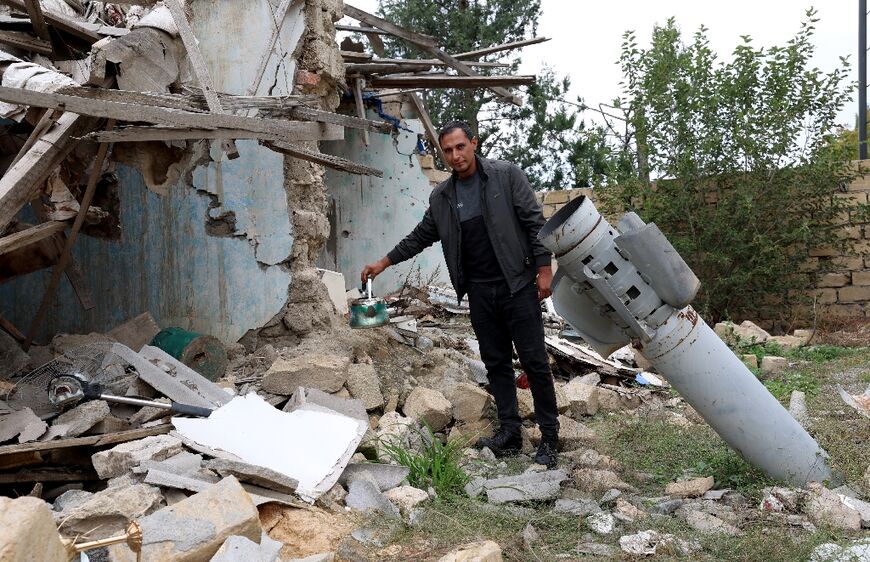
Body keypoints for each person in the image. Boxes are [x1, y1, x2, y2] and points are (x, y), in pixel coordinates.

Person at [360, 120, 561, 468]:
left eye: (460, 147)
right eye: (448, 151)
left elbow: (534, 223)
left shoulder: (505, 176)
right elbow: (420, 236)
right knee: (495, 363)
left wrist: (544, 270)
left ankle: (550, 436)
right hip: (479, 292)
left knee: (534, 362)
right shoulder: (442, 197)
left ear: (474, 143)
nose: (455, 156)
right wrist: (383, 262)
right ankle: (510, 433)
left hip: (516, 285)